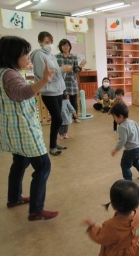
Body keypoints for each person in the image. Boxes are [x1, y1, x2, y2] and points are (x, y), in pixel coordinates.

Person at [0, 35, 58, 221]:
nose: (28, 58)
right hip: (23, 129)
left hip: (12, 129)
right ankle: (36, 211)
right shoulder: (9, 74)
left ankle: (14, 198)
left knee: (20, 162)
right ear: (12, 55)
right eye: (25, 54)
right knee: (43, 166)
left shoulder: (3, 72)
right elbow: (21, 93)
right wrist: (45, 80)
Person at [30, 31, 71, 156]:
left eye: (51, 42)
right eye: (47, 42)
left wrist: (63, 71)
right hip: (49, 93)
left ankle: (54, 144)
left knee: (57, 119)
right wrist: (60, 69)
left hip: (58, 91)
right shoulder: (38, 55)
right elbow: (45, 76)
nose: (50, 44)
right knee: (58, 119)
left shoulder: (51, 55)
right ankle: (52, 146)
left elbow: (55, 73)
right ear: (40, 42)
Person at [83, 180, 139, 256]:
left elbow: (101, 237)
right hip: (137, 249)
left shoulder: (111, 226)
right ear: (136, 203)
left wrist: (92, 226)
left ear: (113, 206)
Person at [110, 103, 139, 181]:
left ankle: (128, 181)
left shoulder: (121, 127)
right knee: (135, 161)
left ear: (120, 116)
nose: (114, 119)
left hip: (131, 150)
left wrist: (116, 149)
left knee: (125, 165)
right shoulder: (132, 122)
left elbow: (122, 140)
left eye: (114, 117)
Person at [56, 38, 86, 123]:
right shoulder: (56, 57)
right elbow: (55, 69)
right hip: (61, 81)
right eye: (64, 45)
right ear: (60, 47)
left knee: (74, 101)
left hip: (71, 81)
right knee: (61, 100)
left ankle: (75, 117)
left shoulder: (73, 57)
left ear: (70, 46)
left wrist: (80, 66)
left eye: (67, 45)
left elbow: (76, 70)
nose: (66, 47)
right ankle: (61, 117)